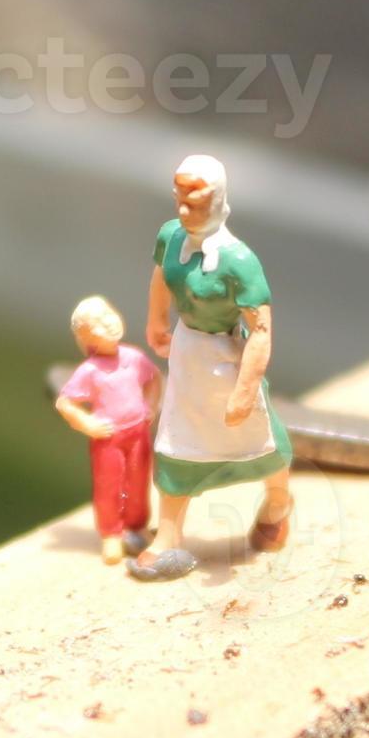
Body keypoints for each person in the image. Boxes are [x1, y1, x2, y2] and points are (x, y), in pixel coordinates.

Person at [132, 155, 294, 582]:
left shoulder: (239, 261)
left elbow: (260, 329)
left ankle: (278, 501)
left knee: (255, 436)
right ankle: (168, 536)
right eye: (179, 199)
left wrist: (245, 389)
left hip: (227, 358)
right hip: (188, 355)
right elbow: (161, 277)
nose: (184, 211)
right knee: (176, 438)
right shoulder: (171, 237)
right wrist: (156, 319)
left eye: (195, 200)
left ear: (218, 198)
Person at [54, 296, 158, 566]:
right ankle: (111, 533)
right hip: (108, 437)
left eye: (108, 315)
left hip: (138, 431)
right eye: (98, 324)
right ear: (87, 338)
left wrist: (150, 406)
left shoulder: (134, 358)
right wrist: (87, 424)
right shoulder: (89, 370)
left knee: (138, 479)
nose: (109, 324)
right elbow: (65, 403)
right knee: (109, 485)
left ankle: (136, 527)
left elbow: (154, 378)